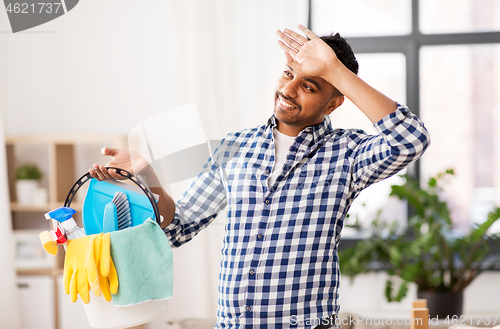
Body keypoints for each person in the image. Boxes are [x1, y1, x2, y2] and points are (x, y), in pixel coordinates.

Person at [90, 25, 430, 329]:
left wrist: (334, 70)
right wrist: (148, 175)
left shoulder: (346, 154)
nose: (289, 89)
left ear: (333, 105)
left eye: (309, 85)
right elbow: (176, 227)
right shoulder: (235, 146)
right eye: (287, 73)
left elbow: (411, 139)